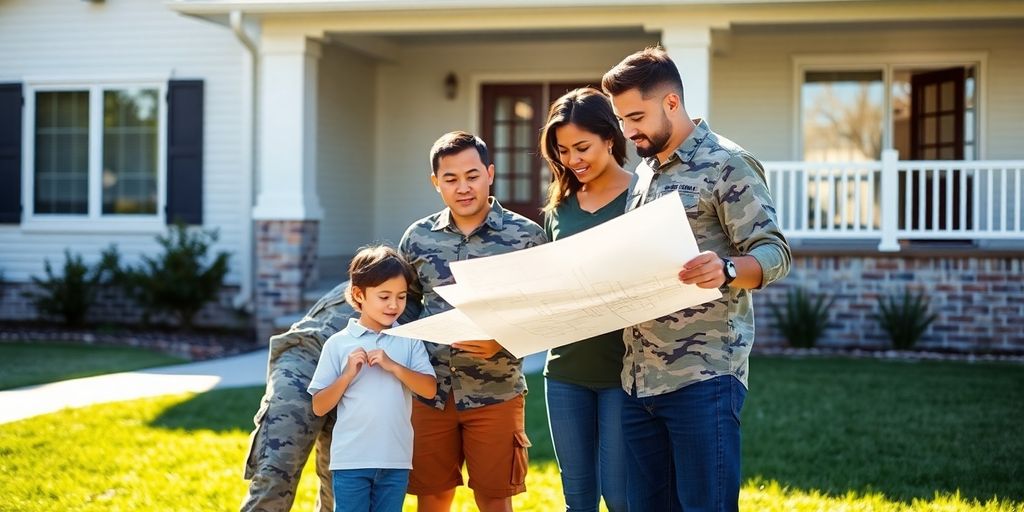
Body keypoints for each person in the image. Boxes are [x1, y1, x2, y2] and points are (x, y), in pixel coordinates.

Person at [601, 47, 792, 512]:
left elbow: (775, 252)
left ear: (671, 103)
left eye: (635, 117)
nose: (627, 131)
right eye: (621, 119)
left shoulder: (728, 163)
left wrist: (726, 269)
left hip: (704, 378)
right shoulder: (645, 172)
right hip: (638, 381)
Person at [398, 131, 547, 512]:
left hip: (496, 392)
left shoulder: (527, 237)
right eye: (450, 179)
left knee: (494, 499)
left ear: (490, 173)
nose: (463, 187)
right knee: (432, 497)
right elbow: (405, 304)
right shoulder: (417, 238)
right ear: (436, 182)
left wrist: (502, 340)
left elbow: (544, 312)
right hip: (430, 392)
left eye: (472, 175)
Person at [537, 87, 632, 512]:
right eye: (563, 151)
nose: (573, 160)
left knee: (620, 493)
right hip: (565, 370)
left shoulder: (644, 196)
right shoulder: (558, 208)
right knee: (578, 499)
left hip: (624, 371)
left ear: (609, 138)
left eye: (582, 147)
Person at [307, 245, 436, 512]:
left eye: (401, 297)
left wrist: (394, 367)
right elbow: (319, 406)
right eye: (384, 296)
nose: (394, 305)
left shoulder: (408, 341)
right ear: (359, 294)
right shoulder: (338, 344)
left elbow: (429, 389)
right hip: (351, 462)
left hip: (395, 461)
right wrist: (347, 375)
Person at [240, 284, 354, 512]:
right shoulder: (382, 269)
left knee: (341, 493)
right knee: (276, 474)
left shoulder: (424, 304)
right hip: (306, 361)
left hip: (356, 382)